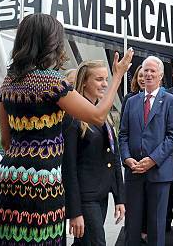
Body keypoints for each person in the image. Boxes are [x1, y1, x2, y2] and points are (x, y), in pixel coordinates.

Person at [0, 14, 133, 246]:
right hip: (42, 179)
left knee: (12, 238)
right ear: (50, 42)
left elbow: (5, 140)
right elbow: (98, 116)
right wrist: (118, 74)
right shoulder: (50, 82)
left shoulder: (8, 82)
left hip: (10, 176)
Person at [119, 56, 173, 246]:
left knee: (156, 226)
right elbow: (123, 135)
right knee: (132, 226)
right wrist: (127, 158)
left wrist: (153, 159)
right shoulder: (131, 101)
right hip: (134, 172)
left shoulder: (171, 101)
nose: (148, 74)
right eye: (145, 70)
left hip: (159, 173)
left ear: (161, 75)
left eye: (152, 70)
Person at [63, 60, 126, 246]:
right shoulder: (72, 117)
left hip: (101, 195)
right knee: (97, 242)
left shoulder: (104, 114)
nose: (105, 84)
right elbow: (69, 168)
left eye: (106, 79)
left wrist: (119, 198)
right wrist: (74, 212)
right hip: (85, 197)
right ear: (84, 82)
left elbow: (114, 157)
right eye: (99, 79)